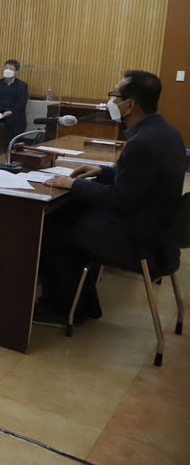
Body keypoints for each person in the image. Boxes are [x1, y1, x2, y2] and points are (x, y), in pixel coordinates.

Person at [37, 71, 186, 324]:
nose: (111, 100)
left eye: (114, 95)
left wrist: (74, 185)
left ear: (130, 104)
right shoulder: (167, 133)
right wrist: (102, 171)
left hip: (138, 238)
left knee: (52, 231)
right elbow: (141, 178)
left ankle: (63, 308)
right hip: (157, 230)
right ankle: (82, 304)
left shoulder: (142, 142)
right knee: (70, 217)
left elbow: (120, 199)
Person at [0, 59, 29, 149]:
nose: (7, 70)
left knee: (12, 121)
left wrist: (10, 112)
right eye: (6, 68)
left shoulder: (22, 86)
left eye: (11, 68)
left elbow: (22, 103)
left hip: (13, 113)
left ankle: (9, 148)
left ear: (16, 71)